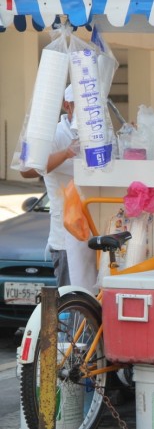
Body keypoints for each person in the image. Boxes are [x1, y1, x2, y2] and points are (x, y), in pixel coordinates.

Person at [20, 85, 97, 290]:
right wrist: (66, 153)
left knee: (93, 309)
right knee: (73, 305)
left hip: (95, 236)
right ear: (67, 106)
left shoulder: (97, 134)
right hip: (66, 240)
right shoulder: (54, 134)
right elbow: (26, 170)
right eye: (78, 106)